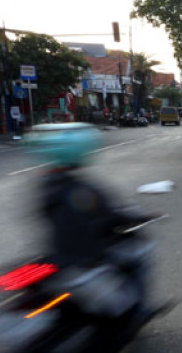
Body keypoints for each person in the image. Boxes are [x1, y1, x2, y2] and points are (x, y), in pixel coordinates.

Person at [27, 123, 156, 319]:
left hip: (57, 257)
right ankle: (135, 312)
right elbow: (111, 215)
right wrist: (139, 216)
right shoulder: (81, 190)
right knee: (125, 288)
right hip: (85, 260)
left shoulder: (48, 184)